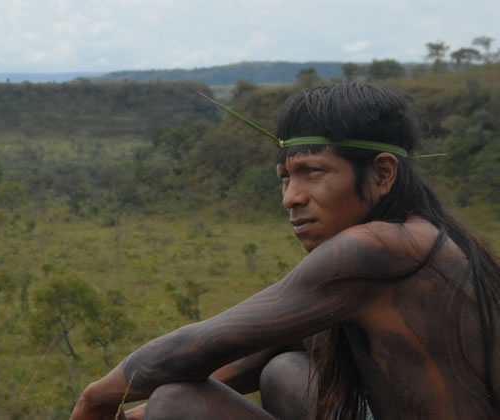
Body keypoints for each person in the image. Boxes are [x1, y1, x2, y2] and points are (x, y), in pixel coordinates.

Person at [70, 82, 500, 420]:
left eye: (312, 173)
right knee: (285, 371)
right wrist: (136, 410)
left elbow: (202, 344)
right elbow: (263, 348)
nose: (291, 197)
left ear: (383, 173)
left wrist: (97, 400)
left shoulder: (379, 248)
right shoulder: (426, 237)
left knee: (177, 403)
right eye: (285, 178)